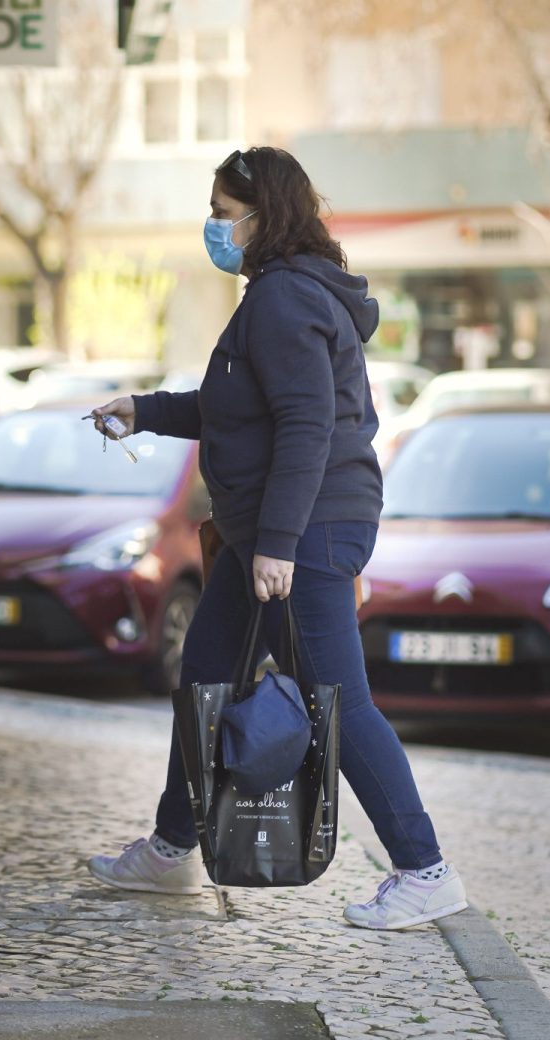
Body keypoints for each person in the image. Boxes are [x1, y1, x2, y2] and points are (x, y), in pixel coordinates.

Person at [84, 146, 467, 932]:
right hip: (274, 526)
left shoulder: (287, 301)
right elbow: (233, 408)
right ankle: (169, 849)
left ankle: (425, 869)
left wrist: (280, 544)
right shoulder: (276, 295)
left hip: (307, 529)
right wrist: (143, 410)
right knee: (205, 674)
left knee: (341, 701)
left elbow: (305, 426)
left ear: (265, 217)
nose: (215, 229)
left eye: (225, 215)